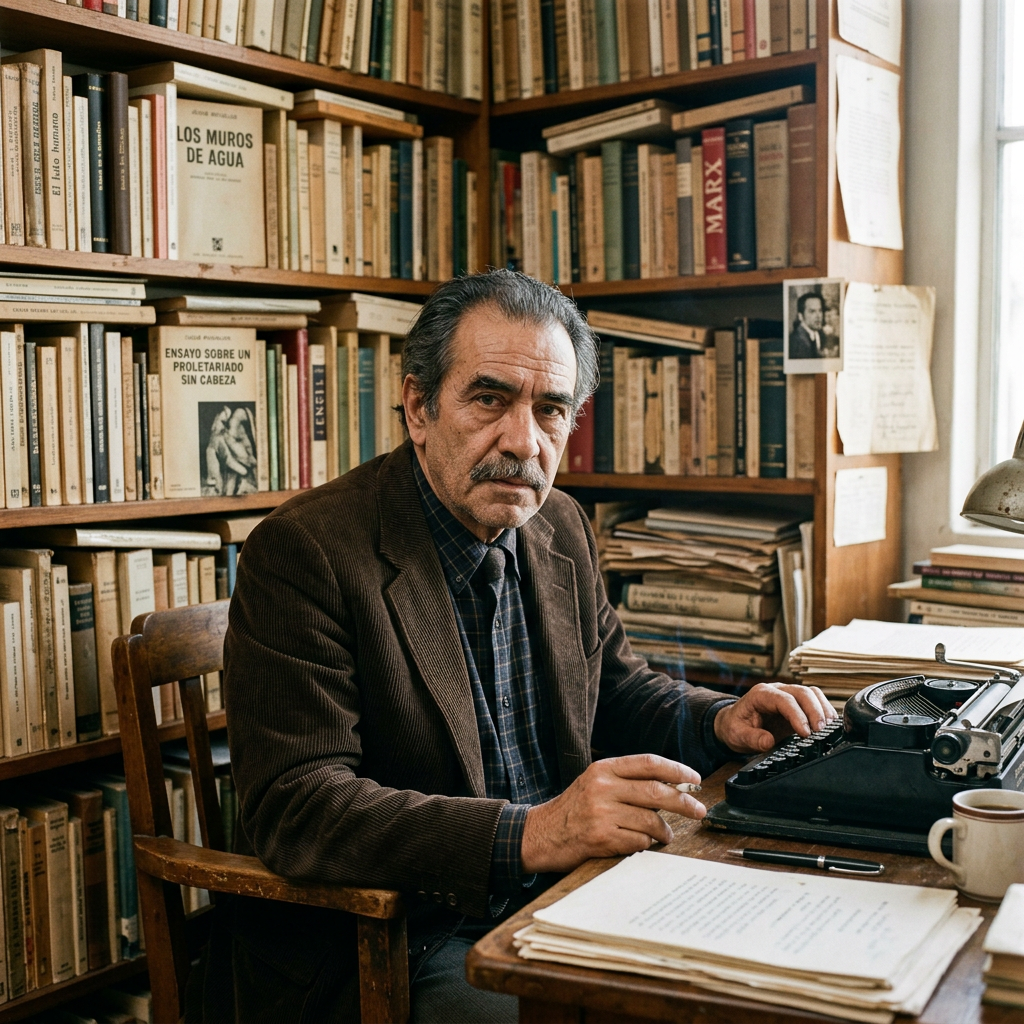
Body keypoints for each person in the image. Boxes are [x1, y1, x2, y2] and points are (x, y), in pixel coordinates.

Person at [190, 271, 836, 1023]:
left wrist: (722, 720)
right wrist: (532, 833)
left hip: (569, 890)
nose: (524, 441)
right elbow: (298, 807)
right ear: (419, 407)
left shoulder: (558, 523)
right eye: (490, 399)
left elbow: (616, 689)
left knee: (771, 980)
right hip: (401, 936)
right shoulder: (306, 552)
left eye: (550, 409)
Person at [789, 292, 838, 360]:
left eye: (820, 310)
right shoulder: (794, 341)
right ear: (800, 316)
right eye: (812, 311)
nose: (818, 316)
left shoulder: (822, 335)